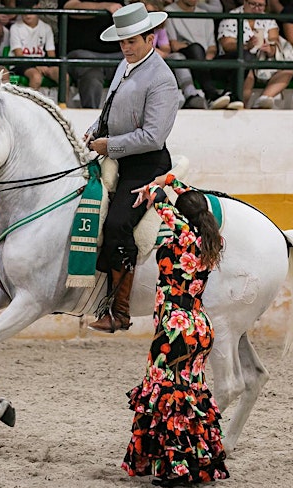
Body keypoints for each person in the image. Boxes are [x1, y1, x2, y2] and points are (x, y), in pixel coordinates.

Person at [122, 174, 229, 488]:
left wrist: (153, 187)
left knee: (168, 396)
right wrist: (170, 179)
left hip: (174, 328)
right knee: (190, 396)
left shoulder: (183, 234)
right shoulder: (212, 239)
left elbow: (161, 203)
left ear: (184, 215)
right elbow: (192, 199)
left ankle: (175, 469)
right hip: (199, 325)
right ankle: (196, 463)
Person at [84, 3, 180, 333]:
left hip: (146, 166)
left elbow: (153, 136)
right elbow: (109, 111)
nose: (125, 47)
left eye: (132, 41)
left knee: (118, 223)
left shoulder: (163, 80)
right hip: (118, 158)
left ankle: (120, 310)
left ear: (150, 39)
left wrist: (109, 145)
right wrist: (94, 130)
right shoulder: (125, 66)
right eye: (123, 41)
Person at [217, 0, 293, 109]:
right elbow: (227, 45)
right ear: (245, 2)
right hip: (241, 61)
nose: (257, 8)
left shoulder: (268, 19)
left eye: (260, 5)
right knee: (247, 71)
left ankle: (263, 99)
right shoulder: (231, 18)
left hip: (263, 60)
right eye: (253, 4)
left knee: (289, 69)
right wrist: (246, 46)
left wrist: (270, 49)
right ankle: (241, 106)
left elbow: (274, 39)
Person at [164, 0, 229, 109]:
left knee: (240, 58)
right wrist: (196, 51)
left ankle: (231, 96)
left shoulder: (204, 14)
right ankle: (211, 94)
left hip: (205, 60)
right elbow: (174, 45)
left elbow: (212, 47)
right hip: (186, 55)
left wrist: (205, 59)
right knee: (196, 48)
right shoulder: (169, 12)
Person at [61, 0, 124, 108]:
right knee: (92, 74)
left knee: (139, 65)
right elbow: (69, 6)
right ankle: (91, 115)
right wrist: (105, 5)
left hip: (119, 53)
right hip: (84, 53)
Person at [8, 0, 60, 89]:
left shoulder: (46, 28)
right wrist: (36, 65)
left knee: (63, 76)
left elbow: (51, 55)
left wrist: (48, 66)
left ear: (38, 6)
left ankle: (64, 99)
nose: (27, 14)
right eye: (24, 10)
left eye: (30, 8)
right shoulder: (15, 28)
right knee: (36, 77)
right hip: (21, 64)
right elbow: (19, 55)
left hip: (41, 63)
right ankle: (30, 99)